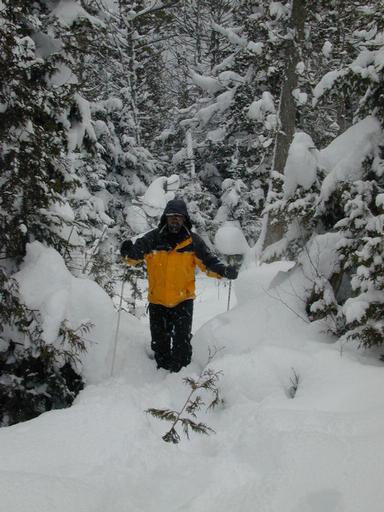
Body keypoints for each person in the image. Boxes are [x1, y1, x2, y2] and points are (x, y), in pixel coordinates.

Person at [120, 198, 238, 372]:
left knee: (182, 346)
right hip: (158, 301)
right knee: (160, 346)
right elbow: (133, 258)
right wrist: (127, 251)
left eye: (179, 217)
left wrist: (224, 271)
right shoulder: (152, 239)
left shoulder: (193, 242)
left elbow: (208, 263)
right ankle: (160, 376)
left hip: (183, 302)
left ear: (185, 219)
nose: (175, 220)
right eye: (171, 216)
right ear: (165, 218)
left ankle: (180, 377)